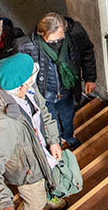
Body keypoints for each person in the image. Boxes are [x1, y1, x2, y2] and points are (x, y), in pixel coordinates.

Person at [0, 53, 66, 210]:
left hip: (41, 154)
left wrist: (53, 140)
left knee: (44, 186)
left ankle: (47, 196)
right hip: (28, 172)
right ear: (21, 86)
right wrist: (3, 204)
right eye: (31, 77)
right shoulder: (3, 123)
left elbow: (43, 111)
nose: (33, 79)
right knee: (36, 203)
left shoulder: (29, 87)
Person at [14, 12, 96, 149]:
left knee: (68, 115)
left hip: (66, 89)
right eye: (52, 41)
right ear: (41, 34)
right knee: (50, 121)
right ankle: (56, 143)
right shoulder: (25, 45)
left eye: (61, 39)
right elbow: (20, 73)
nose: (57, 43)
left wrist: (90, 78)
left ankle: (68, 136)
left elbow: (87, 52)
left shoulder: (75, 32)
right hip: (44, 93)